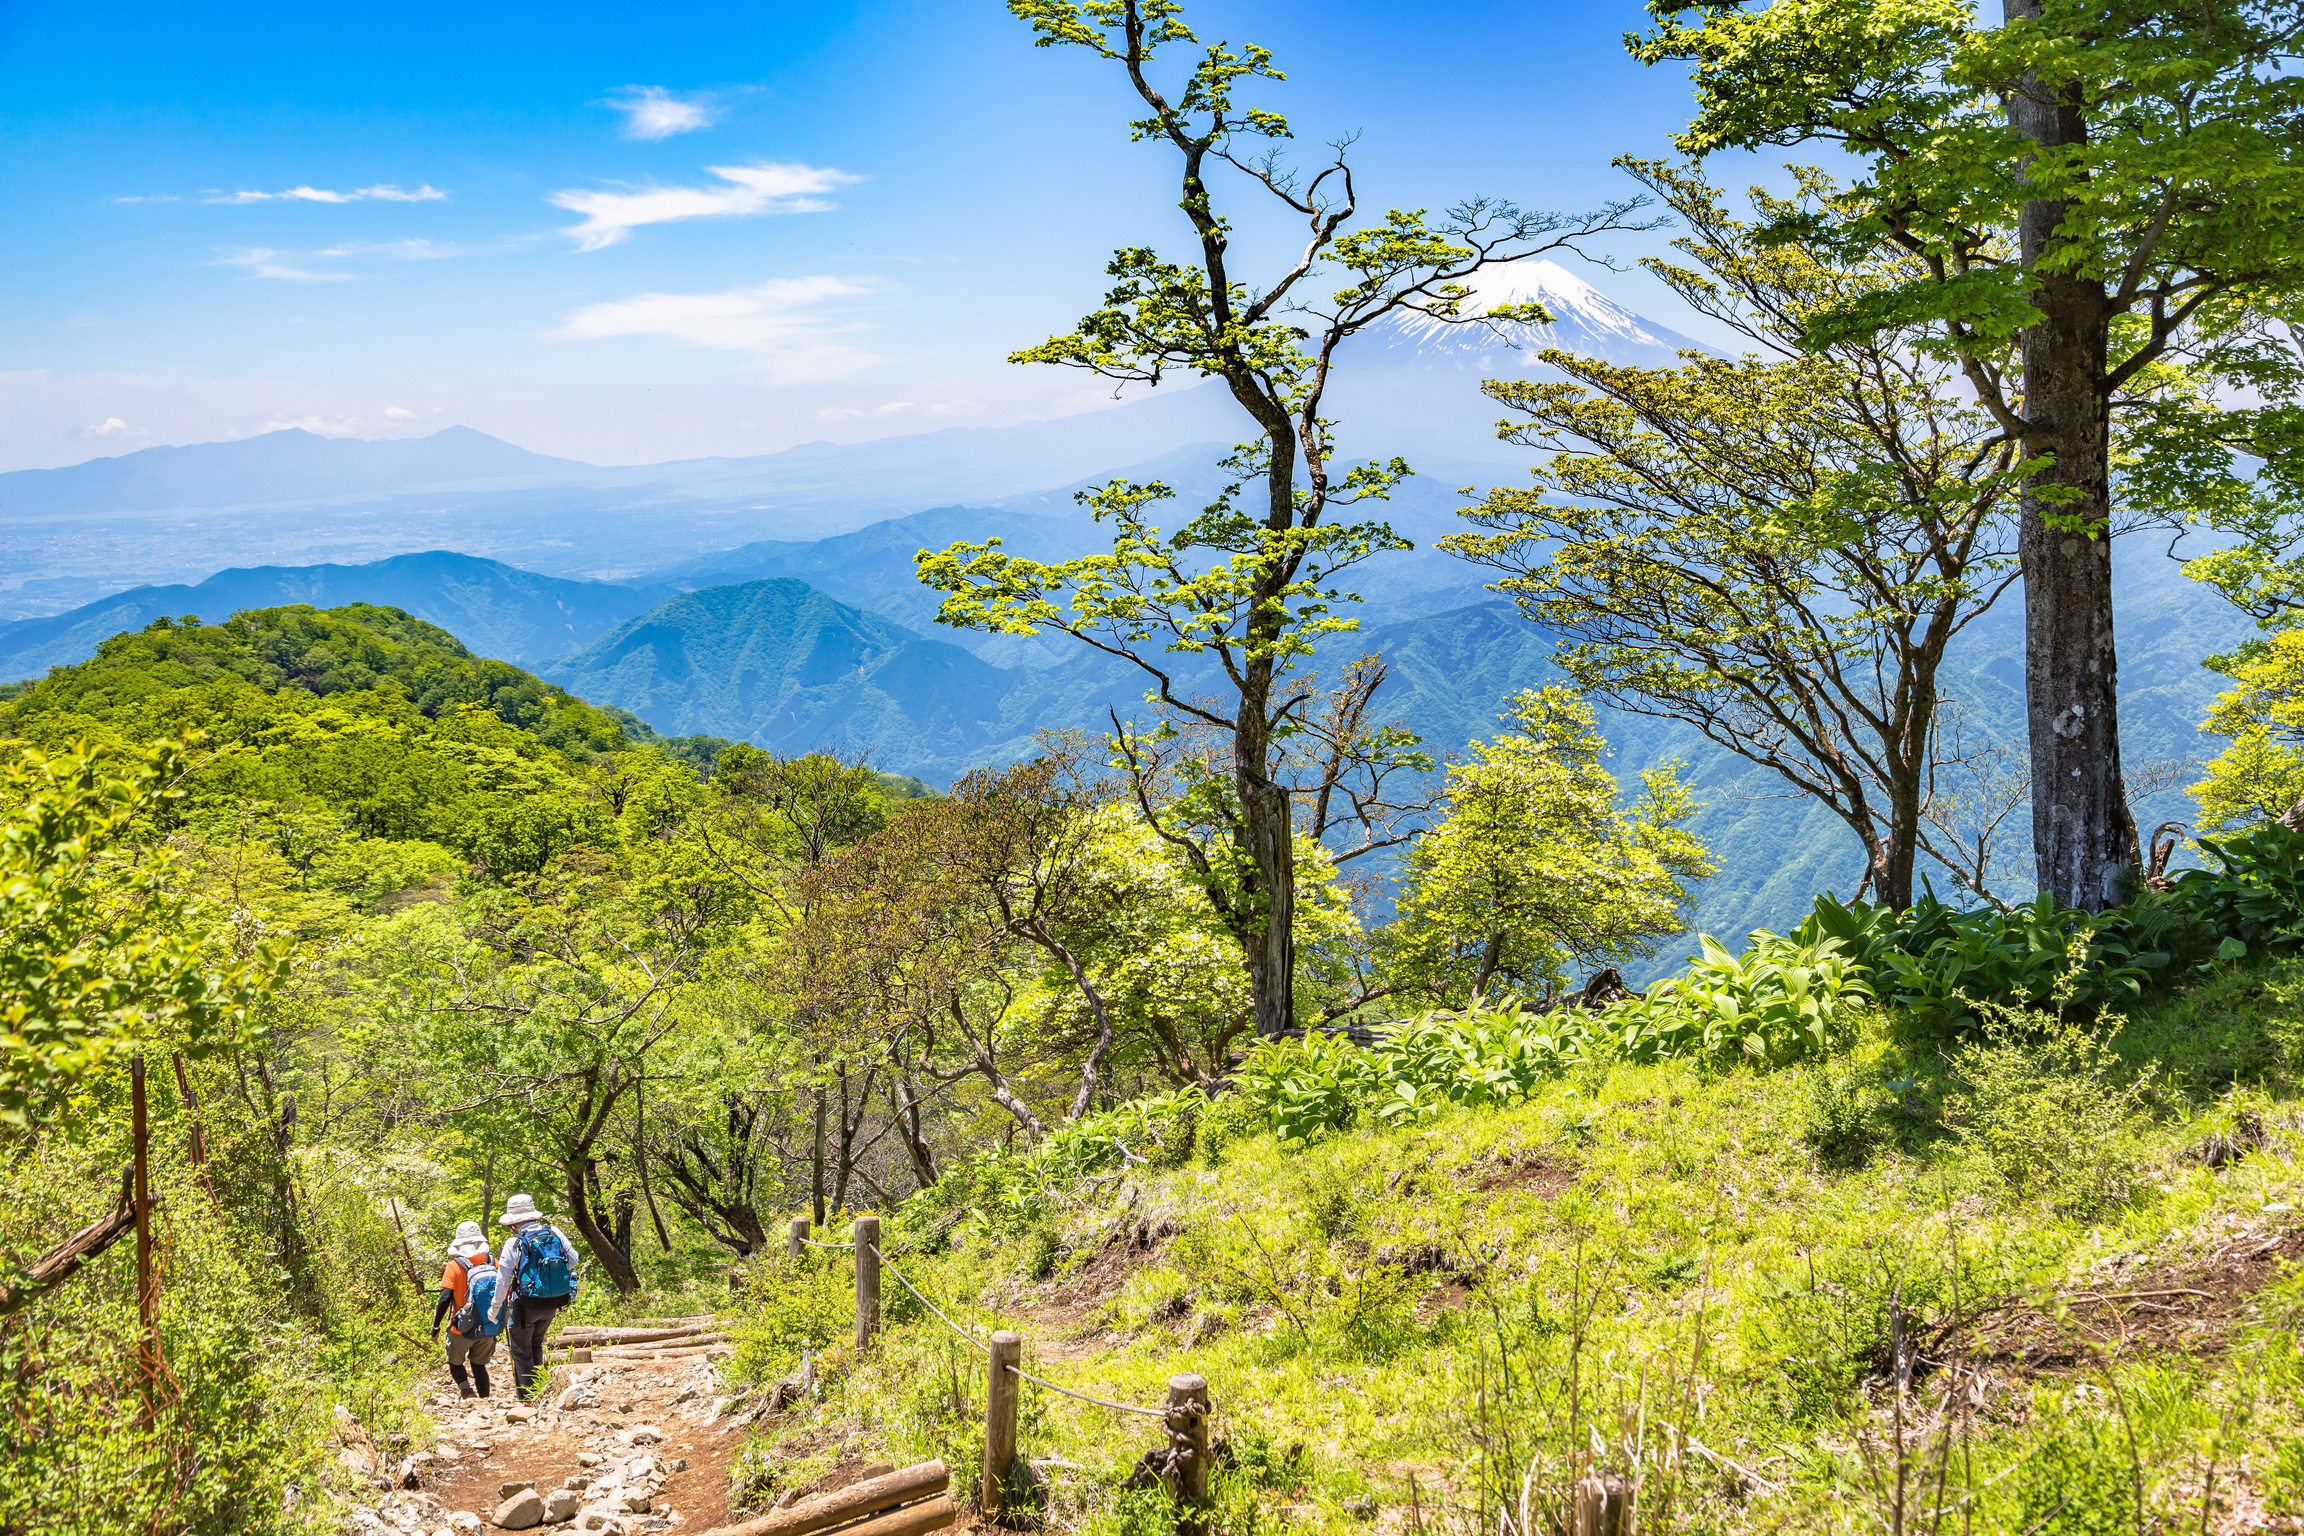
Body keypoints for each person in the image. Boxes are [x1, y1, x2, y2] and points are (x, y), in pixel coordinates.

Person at [489, 1193, 581, 1401]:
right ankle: (539, 1391)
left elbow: (502, 1281)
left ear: (513, 1222)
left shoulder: (514, 1243)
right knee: (535, 1345)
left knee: (521, 1352)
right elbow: (573, 1260)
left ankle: (530, 1397)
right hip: (553, 1301)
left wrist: (495, 1309)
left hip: (526, 1305)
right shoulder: (554, 1232)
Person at [430, 1220, 499, 1399]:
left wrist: (436, 1326)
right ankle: (485, 1399)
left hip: (460, 1327)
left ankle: (467, 1392)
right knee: (479, 1365)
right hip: (487, 1325)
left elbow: (445, 1298)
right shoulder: (492, 1261)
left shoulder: (454, 1265)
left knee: (455, 1362)